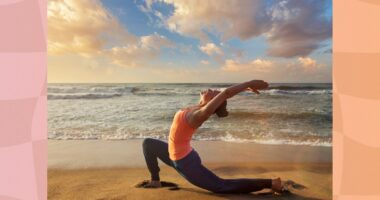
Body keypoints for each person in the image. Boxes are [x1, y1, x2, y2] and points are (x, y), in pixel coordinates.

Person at [142, 80, 284, 193]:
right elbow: (225, 94)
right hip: (173, 156)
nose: (209, 90)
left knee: (221, 186)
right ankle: (155, 180)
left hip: (186, 163)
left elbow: (226, 93)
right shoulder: (195, 108)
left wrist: (249, 83)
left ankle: (271, 183)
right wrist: (244, 89)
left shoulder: (198, 115)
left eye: (213, 92)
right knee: (148, 144)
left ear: (212, 102)